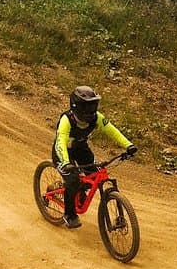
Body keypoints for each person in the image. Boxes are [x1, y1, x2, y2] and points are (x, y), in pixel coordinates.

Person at [53, 85, 137, 229]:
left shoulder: (97, 118)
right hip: (62, 153)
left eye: (93, 105)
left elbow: (112, 131)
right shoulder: (67, 120)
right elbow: (60, 141)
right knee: (73, 180)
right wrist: (66, 162)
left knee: (93, 176)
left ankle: (77, 191)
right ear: (77, 106)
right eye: (88, 106)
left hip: (81, 149)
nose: (91, 110)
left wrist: (128, 145)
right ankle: (69, 214)